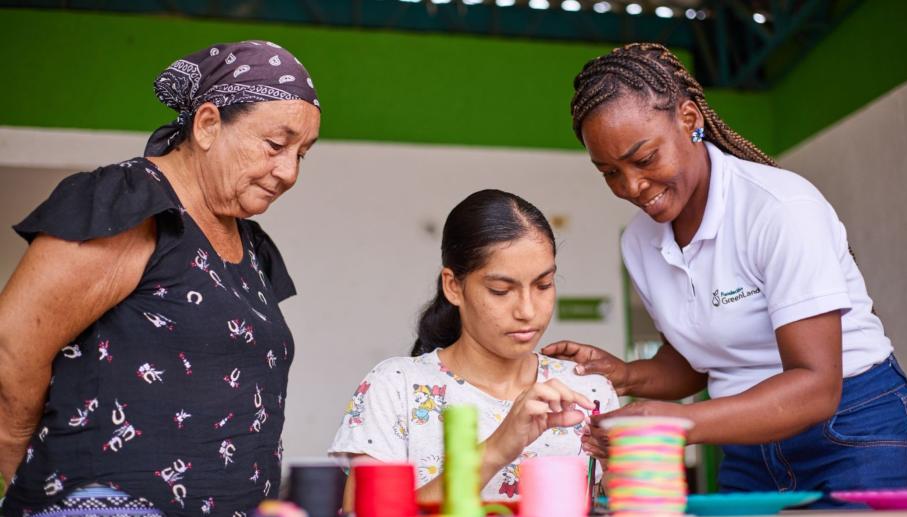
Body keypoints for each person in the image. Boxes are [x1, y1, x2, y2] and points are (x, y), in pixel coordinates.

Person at [543, 42, 907, 506]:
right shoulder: (640, 241)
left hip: (854, 431)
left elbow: (818, 385)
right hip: (747, 447)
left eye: (644, 159)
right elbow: (698, 360)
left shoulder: (779, 209)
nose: (632, 187)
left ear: (689, 119)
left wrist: (672, 425)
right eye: (609, 173)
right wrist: (625, 374)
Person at [0, 41, 321, 516]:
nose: (289, 171)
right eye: (276, 145)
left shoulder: (250, 245)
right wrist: (29, 472)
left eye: (303, 154)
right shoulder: (130, 204)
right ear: (208, 124)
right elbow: (11, 352)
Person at [329, 189, 618, 509]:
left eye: (543, 285)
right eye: (501, 290)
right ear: (453, 286)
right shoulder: (396, 388)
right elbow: (365, 512)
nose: (527, 310)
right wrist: (496, 450)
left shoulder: (587, 390)